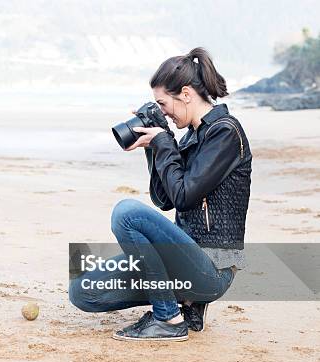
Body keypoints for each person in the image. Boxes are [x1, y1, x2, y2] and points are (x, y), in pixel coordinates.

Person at [69, 47, 252, 341]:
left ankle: (168, 317)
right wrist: (155, 149)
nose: (163, 111)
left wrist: (165, 141)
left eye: (163, 103)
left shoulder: (224, 132)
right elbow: (165, 199)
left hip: (212, 269)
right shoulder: (193, 135)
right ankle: (188, 305)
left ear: (187, 94)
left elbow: (183, 196)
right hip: (183, 262)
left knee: (126, 213)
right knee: (83, 291)